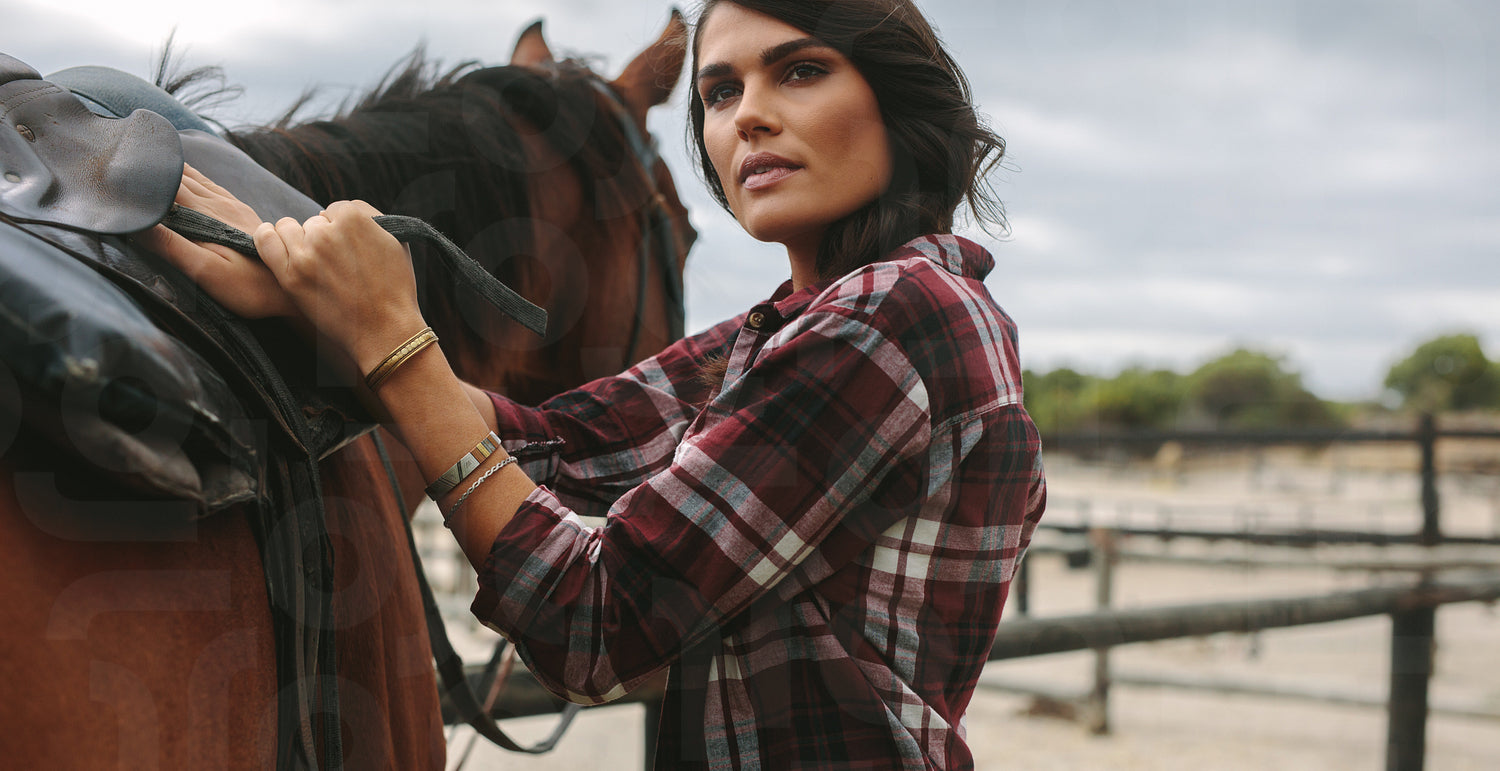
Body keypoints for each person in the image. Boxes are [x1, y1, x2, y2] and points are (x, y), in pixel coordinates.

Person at [147, 1, 1047, 767]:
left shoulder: (895, 318)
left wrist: (397, 341)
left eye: (801, 71)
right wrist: (328, 315)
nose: (748, 117)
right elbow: (563, 442)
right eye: (719, 92)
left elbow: (595, 621)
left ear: (896, 99)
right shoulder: (799, 327)